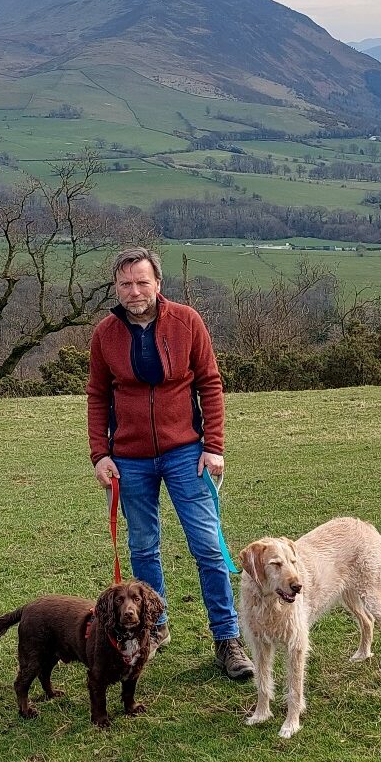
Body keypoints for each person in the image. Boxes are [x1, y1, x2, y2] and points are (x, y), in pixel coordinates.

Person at [86, 247, 254, 681]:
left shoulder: (187, 322)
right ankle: (153, 629)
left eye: (142, 282)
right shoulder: (105, 333)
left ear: (158, 284)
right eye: (126, 284)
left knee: (208, 547)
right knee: (143, 548)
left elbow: (210, 384)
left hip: (186, 454)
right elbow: (98, 396)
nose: (134, 291)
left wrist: (213, 445)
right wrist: (100, 454)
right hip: (129, 459)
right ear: (116, 287)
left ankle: (227, 639)